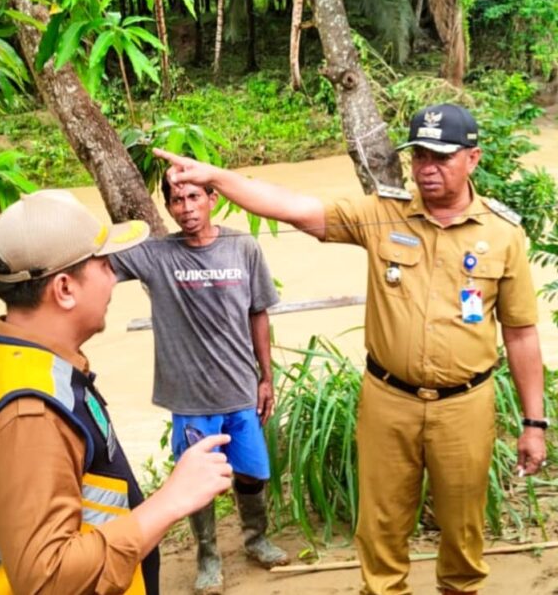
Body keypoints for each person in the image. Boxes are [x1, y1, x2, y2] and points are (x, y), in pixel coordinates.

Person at [155, 103, 548, 595]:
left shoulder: (503, 233)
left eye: (441, 157)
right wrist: (216, 175)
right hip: (388, 401)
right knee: (380, 524)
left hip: (466, 406)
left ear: (472, 158)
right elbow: (292, 206)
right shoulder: (381, 213)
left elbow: (521, 333)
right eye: (419, 155)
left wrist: (534, 423)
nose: (426, 168)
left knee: (463, 526)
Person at [0, 189, 235, 594]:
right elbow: (46, 578)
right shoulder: (28, 415)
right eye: (106, 265)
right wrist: (170, 500)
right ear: (65, 289)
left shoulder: (28, 361)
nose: (113, 279)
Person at [108, 176, 289, 594]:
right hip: (190, 400)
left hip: (241, 391)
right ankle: (208, 555)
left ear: (213, 199)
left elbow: (259, 312)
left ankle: (255, 538)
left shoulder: (243, 248)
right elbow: (96, 264)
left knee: (252, 474)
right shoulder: (155, 256)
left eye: (194, 197)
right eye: (176, 201)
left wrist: (266, 376)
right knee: (198, 481)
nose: (186, 207)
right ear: (169, 209)